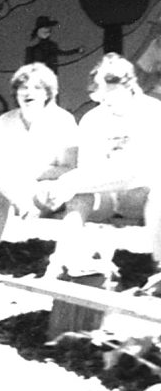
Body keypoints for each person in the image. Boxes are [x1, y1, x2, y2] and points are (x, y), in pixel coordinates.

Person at [32, 53, 161, 282]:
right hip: (108, 196)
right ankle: (61, 262)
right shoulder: (93, 119)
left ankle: (160, 269)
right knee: (80, 194)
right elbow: (88, 170)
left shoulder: (152, 112)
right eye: (99, 92)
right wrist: (67, 184)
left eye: (109, 92)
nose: (103, 98)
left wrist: (65, 182)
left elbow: (138, 172)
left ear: (128, 85)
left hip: (141, 196)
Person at [0, 63, 79, 280]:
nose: (28, 93)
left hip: (45, 189)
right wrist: (15, 186)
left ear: (47, 93)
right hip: (9, 189)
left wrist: (32, 174)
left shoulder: (63, 121)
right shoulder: (4, 121)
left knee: (2, 187)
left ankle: (56, 266)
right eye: (22, 87)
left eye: (36, 88)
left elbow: (70, 168)